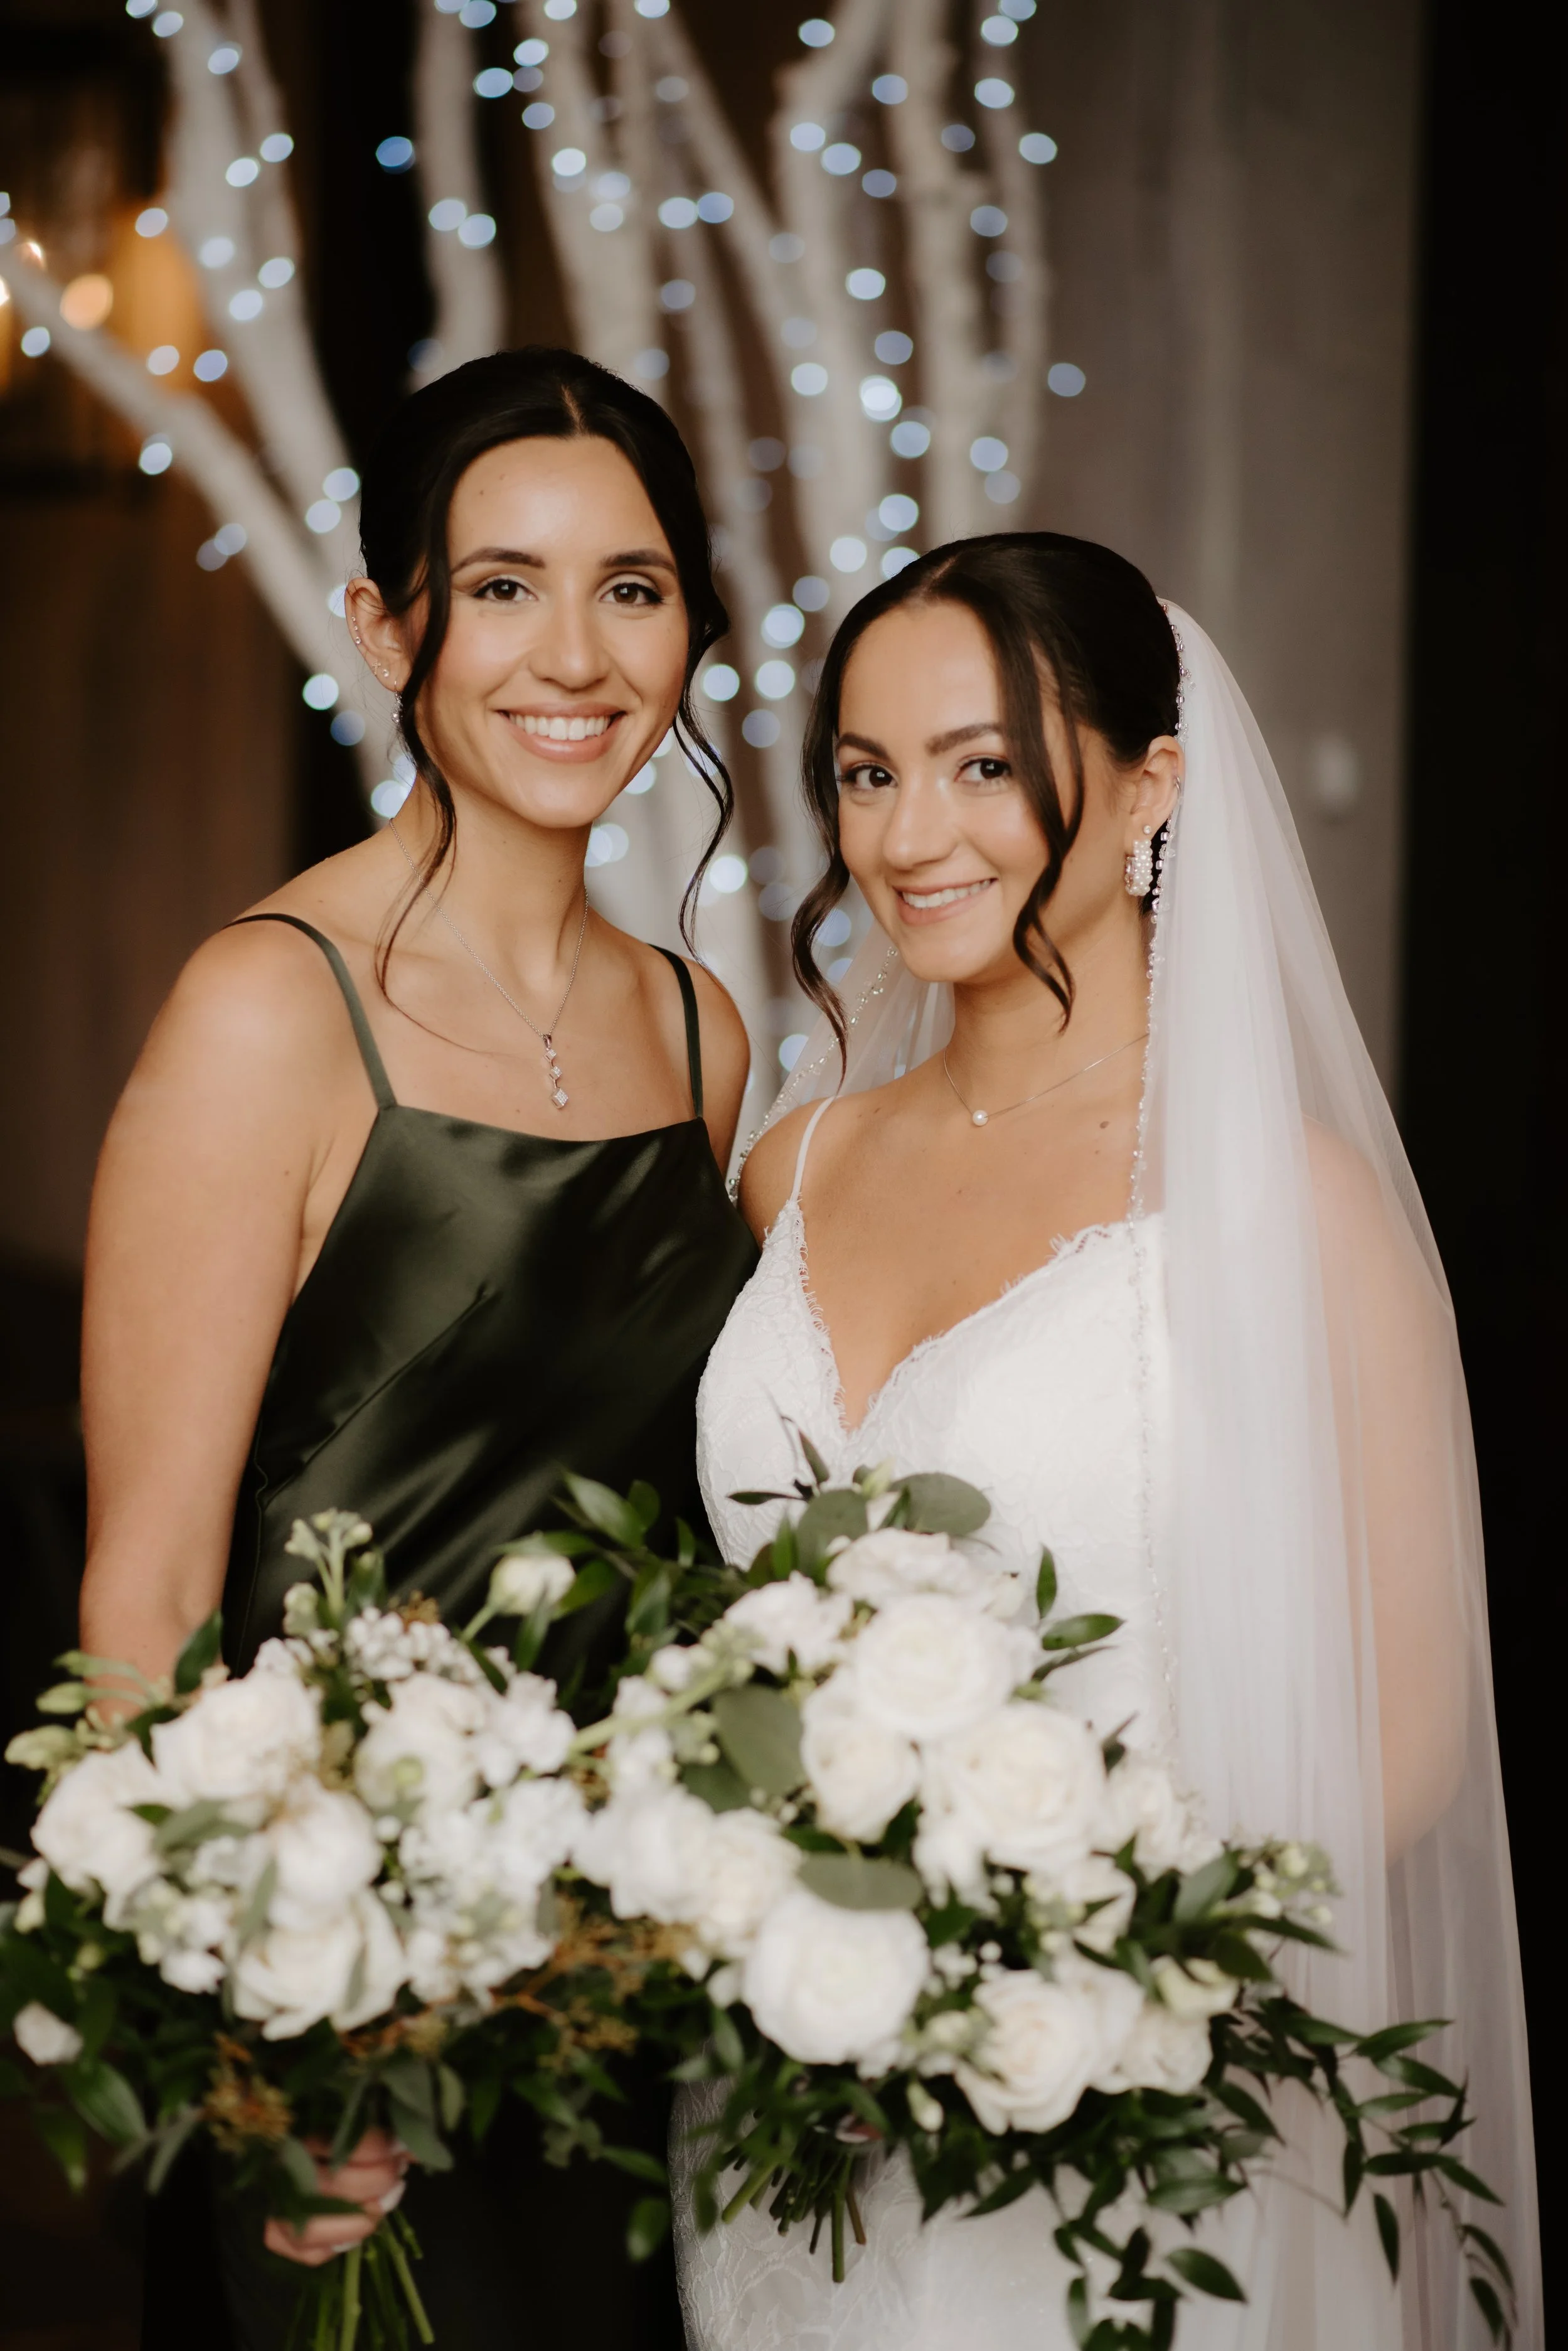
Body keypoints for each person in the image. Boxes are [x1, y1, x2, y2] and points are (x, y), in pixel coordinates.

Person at [675, 535, 1539, 2349]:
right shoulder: (792, 1164)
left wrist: (1054, 1977)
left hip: (1123, 2113)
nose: (913, 833)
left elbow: (1403, 1738)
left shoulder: (1279, 1206)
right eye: (866, 770)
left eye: (986, 763)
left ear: (1151, 782)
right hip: (785, 2099)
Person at [78, 346, 756, 2349]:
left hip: (632, 2007)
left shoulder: (706, 1037)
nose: (575, 654)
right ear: (388, 624)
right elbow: (147, 1594)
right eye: (501, 585)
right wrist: (249, 2044)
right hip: (342, 2022)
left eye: (630, 589)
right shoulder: (263, 1012)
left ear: (693, 631)